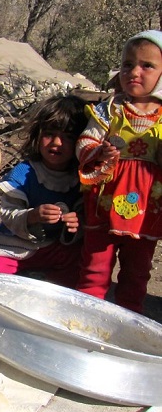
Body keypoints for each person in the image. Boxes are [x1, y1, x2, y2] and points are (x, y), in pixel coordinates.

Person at [76, 30, 162, 313]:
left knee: (137, 274)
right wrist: (99, 152)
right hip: (104, 202)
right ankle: (83, 319)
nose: (134, 72)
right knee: (95, 268)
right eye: (128, 64)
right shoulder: (109, 110)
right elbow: (85, 141)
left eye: (147, 66)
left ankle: (128, 323)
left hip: (146, 210)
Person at [0, 95, 88, 288]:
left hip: (55, 248)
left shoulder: (81, 179)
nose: (57, 143)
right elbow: (8, 213)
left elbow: (86, 219)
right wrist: (32, 216)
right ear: (37, 135)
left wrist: (76, 224)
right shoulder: (25, 173)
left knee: (78, 267)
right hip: (15, 244)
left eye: (68, 137)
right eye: (49, 134)